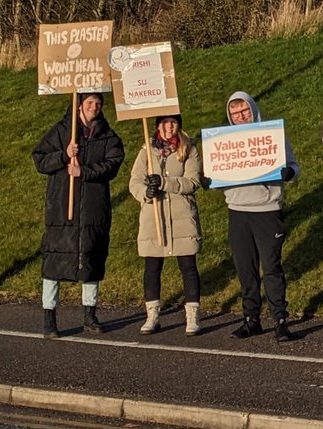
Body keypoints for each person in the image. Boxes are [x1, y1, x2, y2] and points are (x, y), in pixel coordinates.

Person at [32, 92, 125, 339]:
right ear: (78, 106)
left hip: (94, 208)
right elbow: (39, 159)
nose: (94, 107)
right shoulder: (62, 130)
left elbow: (113, 162)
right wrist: (64, 154)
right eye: (89, 103)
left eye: (98, 103)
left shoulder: (107, 135)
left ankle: (89, 315)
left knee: (91, 259)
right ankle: (49, 318)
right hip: (62, 206)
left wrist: (83, 171)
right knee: (54, 261)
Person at [223, 91, 299, 343]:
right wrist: (209, 179)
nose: (240, 117)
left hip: (266, 209)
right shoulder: (224, 141)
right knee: (245, 269)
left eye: (244, 111)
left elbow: (294, 166)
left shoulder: (272, 136)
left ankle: (279, 320)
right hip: (237, 209)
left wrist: (289, 172)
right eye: (235, 113)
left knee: (272, 267)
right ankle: (251, 319)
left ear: (252, 110)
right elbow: (216, 170)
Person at [128, 114, 203, 336]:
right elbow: (134, 181)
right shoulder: (147, 151)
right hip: (154, 217)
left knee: (188, 266)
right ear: (158, 125)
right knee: (152, 268)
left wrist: (164, 183)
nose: (169, 127)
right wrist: (146, 193)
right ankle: (152, 315)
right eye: (164, 122)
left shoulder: (188, 149)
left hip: (181, 216)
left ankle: (192, 316)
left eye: (173, 122)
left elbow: (192, 181)